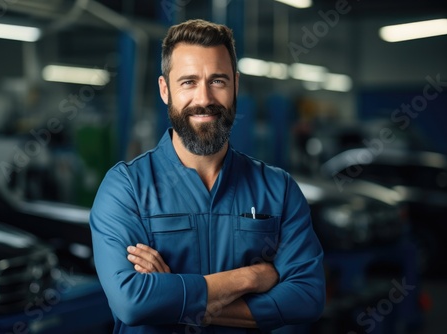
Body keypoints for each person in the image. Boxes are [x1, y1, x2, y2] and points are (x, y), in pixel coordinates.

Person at [89, 19, 325, 334]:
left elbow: (307, 297)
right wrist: (250, 279)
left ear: (236, 86)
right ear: (165, 89)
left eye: (218, 81)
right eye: (188, 82)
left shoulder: (278, 189)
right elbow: (132, 302)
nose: (204, 99)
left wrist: (171, 296)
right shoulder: (126, 188)